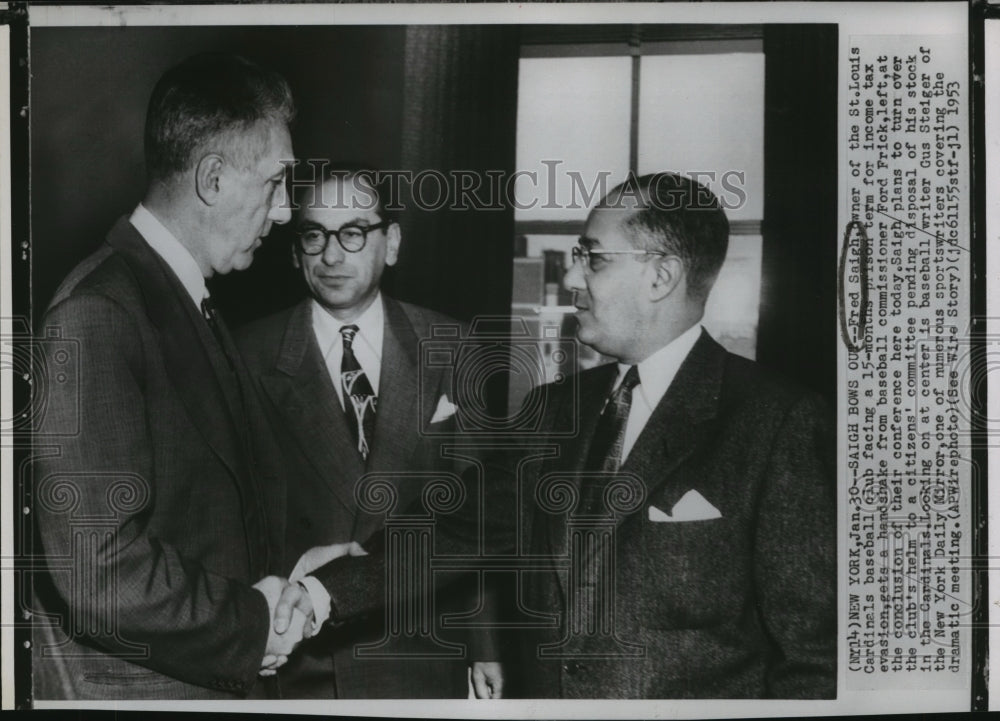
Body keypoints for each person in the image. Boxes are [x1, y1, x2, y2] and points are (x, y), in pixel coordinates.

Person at [277, 171, 836, 699]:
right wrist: (319, 594)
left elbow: (813, 659)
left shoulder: (778, 425)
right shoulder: (552, 410)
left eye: (592, 259)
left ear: (660, 277)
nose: (572, 278)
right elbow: (454, 532)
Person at [31, 52, 312, 700]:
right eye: (275, 184)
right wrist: (253, 619)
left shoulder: (178, 297)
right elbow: (99, 572)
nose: (281, 213)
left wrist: (286, 576)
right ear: (212, 178)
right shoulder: (97, 314)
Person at [236, 169, 503, 699]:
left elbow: (476, 513)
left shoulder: (452, 345)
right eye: (314, 235)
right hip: (300, 657)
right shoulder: (247, 353)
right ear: (295, 251)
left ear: (393, 242)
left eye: (354, 232)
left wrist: (485, 643)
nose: (332, 256)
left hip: (421, 648)